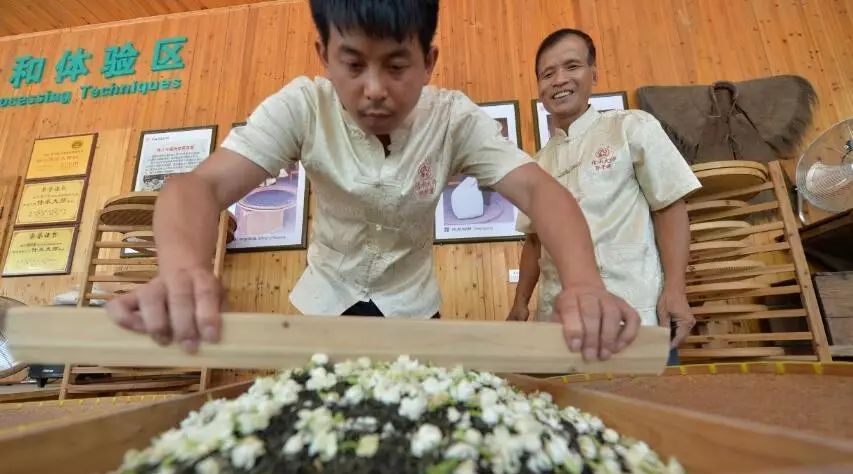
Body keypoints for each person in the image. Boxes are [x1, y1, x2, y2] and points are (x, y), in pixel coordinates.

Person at [107, 1, 641, 363]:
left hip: (413, 306)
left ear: (429, 62)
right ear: (324, 57)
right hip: (324, 301)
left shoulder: (453, 118)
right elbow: (196, 188)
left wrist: (584, 283)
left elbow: (540, 190)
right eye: (354, 64)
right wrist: (181, 271)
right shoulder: (303, 105)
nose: (375, 90)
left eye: (396, 66)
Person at [507, 28, 700, 363]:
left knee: (646, 413)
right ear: (538, 87)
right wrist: (519, 305)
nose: (559, 80)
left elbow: (669, 207)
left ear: (593, 73)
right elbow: (534, 243)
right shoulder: (535, 165)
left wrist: (675, 290)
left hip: (636, 314)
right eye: (547, 73)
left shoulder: (631, 127)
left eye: (572, 66)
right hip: (559, 324)